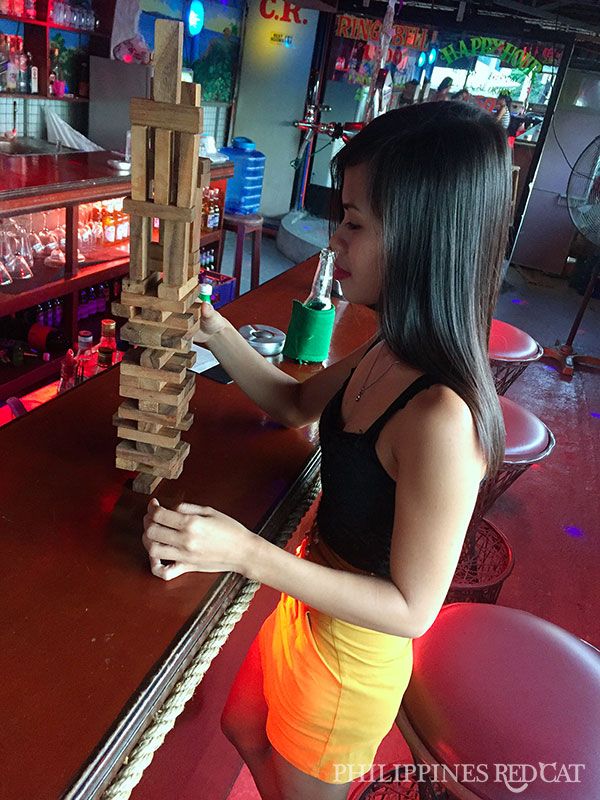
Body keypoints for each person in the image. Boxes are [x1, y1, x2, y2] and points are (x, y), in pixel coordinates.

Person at [142, 102, 511, 800]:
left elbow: (411, 610)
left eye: (354, 223)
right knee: (244, 726)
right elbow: (292, 404)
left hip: (351, 662)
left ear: (424, 238)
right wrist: (214, 329)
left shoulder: (440, 416)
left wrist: (246, 553)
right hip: (308, 606)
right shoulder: (390, 345)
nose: (332, 243)